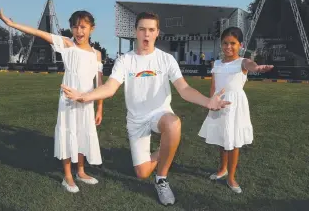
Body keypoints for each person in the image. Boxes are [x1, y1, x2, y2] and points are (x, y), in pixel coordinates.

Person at [61, 12, 230, 206]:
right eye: (142, 29)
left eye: (151, 30)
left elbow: (184, 89)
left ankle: (161, 180)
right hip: (136, 120)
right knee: (142, 173)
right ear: (136, 32)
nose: (146, 34)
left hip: (159, 115)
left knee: (174, 123)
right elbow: (109, 87)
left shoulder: (166, 59)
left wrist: (208, 102)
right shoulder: (125, 61)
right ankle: (166, 149)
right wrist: (84, 96)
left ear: (157, 33)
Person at [0, 4, 104, 193]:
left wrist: (100, 108)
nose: (79, 31)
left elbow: (100, 85)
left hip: (87, 102)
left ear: (91, 28)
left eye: (83, 27)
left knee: (83, 133)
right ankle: (68, 176)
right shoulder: (68, 44)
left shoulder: (97, 54)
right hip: (69, 99)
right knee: (68, 133)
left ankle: (81, 171)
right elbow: (38, 33)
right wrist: (11, 24)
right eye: (75, 27)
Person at [198, 27, 274, 194]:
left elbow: (251, 65)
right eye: (225, 43)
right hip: (219, 104)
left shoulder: (242, 62)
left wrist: (257, 68)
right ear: (221, 44)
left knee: (234, 141)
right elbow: (213, 86)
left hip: (235, 106)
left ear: (241, 44)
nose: (228, 47)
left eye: (233, 43)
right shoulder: (216, 64)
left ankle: (231, 177)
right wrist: (210, 103)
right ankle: (222, 168)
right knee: (222, 138)